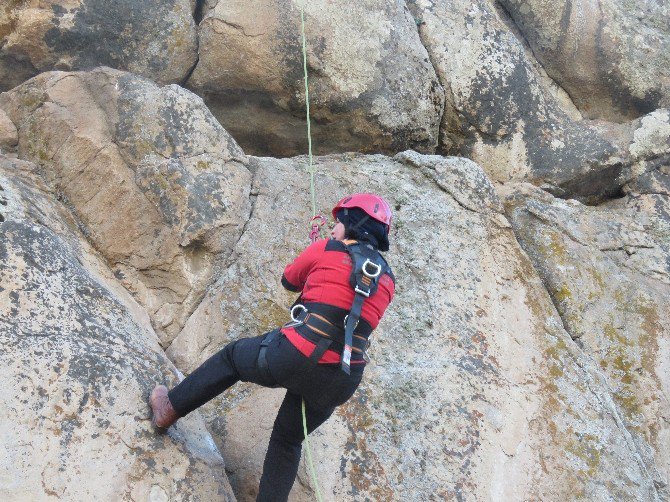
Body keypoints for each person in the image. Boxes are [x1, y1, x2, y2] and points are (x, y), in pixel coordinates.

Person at [149, 193, 396, 501]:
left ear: (352, 225)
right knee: (288, 441)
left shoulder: (327, 248)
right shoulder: (387, 281)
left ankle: (169, 408)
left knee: (233, 359)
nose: (333, 229)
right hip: (340, 379)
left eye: (338, 223)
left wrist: (318, 255)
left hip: (296, 353)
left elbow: (289, 280)